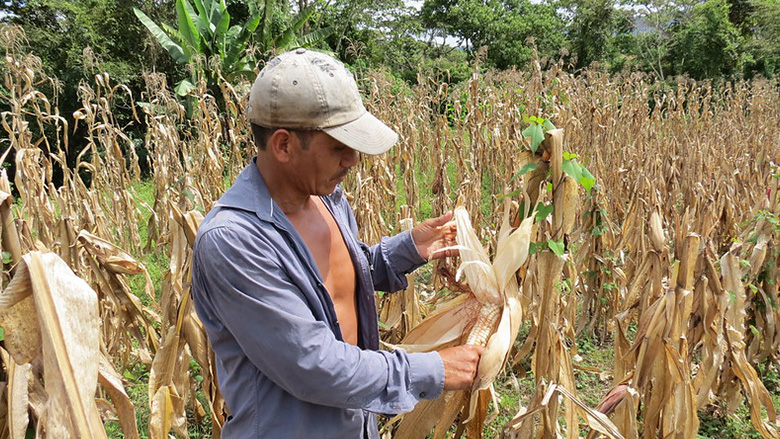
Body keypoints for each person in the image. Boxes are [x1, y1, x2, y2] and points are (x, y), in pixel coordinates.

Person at [191, 48, 483, 439]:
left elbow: (336, 277)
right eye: (338, 146)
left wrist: (409, 248)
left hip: (356, 424)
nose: (353, 159)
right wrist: (434, 369)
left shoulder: (326, 197)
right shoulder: (233, 242)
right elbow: (314, 366)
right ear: (283, 145)